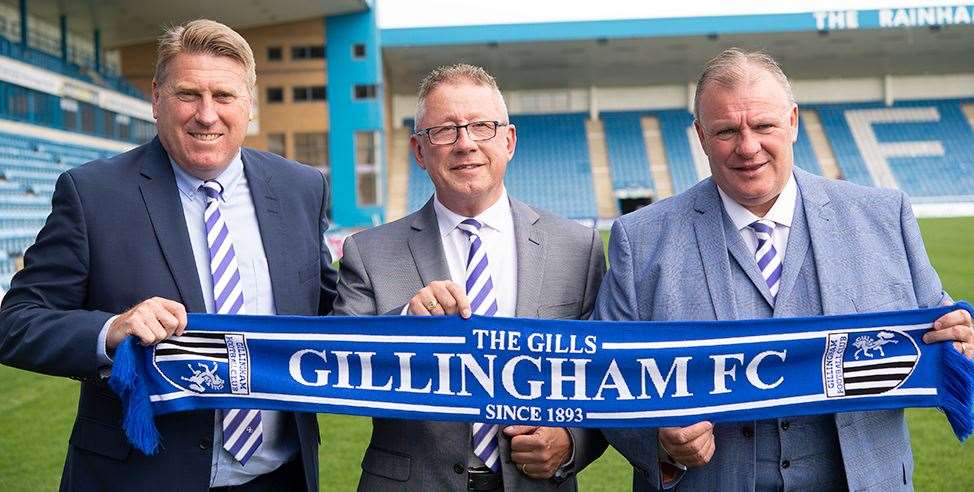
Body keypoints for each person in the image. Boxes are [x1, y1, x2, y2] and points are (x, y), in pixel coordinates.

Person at [594, 48, 974, 491]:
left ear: (792, 121)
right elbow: (607, 382)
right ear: (700, 135)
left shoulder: (885, 218)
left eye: (763, 125)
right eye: (726, 131)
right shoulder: (639, 240)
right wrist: (660, 443)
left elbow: (943, 337)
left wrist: (963, 342)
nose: (748, 146)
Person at [0, 19, 336, 492]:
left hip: (280, 477)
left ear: (250, 106)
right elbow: (15, 322)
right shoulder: (92, 193)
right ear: (156, 100)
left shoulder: (301, 187)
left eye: (224, 96)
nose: (206, 114)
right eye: (188, 95)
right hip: (140, 476)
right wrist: (110, 330)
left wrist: (407, 316)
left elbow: (329, 309)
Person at [333, 63, 607, 491]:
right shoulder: (368, 253)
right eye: (445, 130)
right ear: (419, 152)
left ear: (509, 140)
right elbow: (333, 369)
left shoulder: (578, 249)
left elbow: (605, 376)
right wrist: (404, 325)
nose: (466, 144)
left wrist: (571, 442)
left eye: (482, 126)